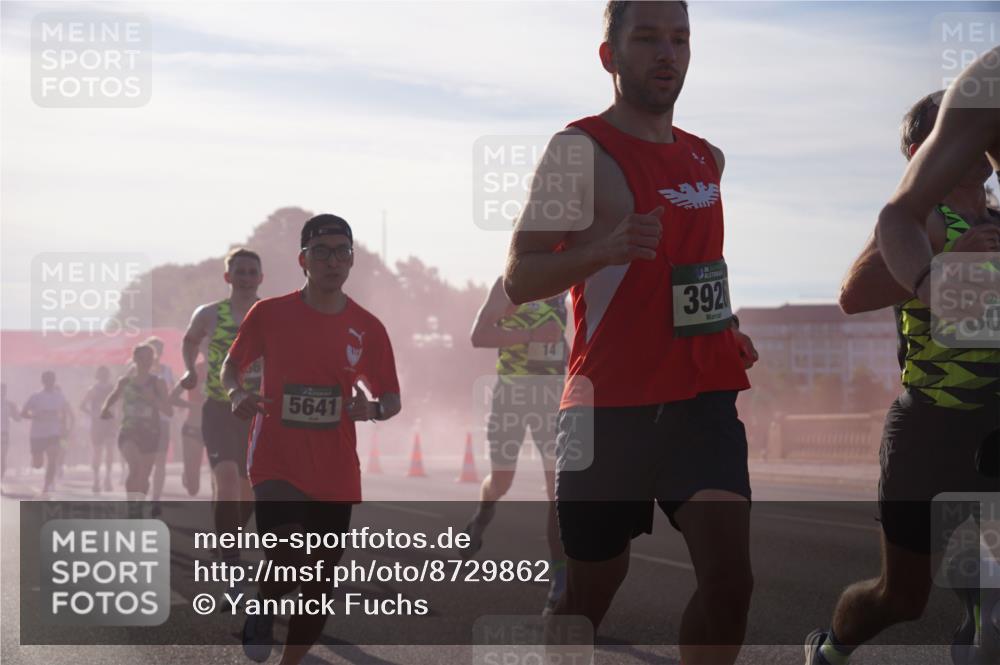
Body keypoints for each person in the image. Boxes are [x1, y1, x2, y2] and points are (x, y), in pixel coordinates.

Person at [503, 3, 759, 663]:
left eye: (679, 39)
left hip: (702, 399)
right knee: (590, 591)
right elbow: (520, 277)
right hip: (606, 410)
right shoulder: (579, 149)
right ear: (608, 55)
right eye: (647, 38)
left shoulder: (708, 156)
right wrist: (604, 248)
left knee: (730, 581)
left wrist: (726, 326)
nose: (666, 53)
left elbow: (697, 268)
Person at [806, 88, 1000, 664]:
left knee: (987, 592)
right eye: (955, 130)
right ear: (924, 150)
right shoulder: (917, 222)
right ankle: (833, 648)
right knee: (901, 597)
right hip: (929, 432)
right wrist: (948, 264)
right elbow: (853, 293)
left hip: (991, 426)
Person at [222, 214, 401, 665]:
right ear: (303, 260)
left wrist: (373, 409)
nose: (332, 261)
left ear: (352, 260)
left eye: (342, 252)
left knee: (318, 580)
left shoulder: (369, 326)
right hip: (276, 458)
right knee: (285, 552)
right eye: (321, 252)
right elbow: (231, 366)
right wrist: (236, 392)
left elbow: (392, 397)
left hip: (335, 467)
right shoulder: (269, 314)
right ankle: (264, 601)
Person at [463, 276, 568, 614]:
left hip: (551, 398)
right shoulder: (510, 284)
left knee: (558, 489)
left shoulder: (567, 284)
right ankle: (482, 514)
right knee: (502, 481)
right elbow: (479, 336)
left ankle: (560, 579)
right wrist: (531, 336)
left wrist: (563, 352)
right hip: (511, 396)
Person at [179, 248, 263, 562]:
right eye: (239, 272)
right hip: (218, 407)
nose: (245, 278)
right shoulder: (210, 313)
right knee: (225, 477)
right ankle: (229, 552)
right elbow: (189, 341)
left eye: (251, 272)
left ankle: (230, 534)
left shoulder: (268, 313)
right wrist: (190, 369)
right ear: (228, 277)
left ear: (261, 278)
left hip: (256, 413)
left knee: (248, 488)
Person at [101, 344, 172, 501]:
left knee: (144, 476)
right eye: (141, 358)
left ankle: (139, 506)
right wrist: (105, 408)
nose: (145, 361)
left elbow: (169, 411)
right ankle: (131, 509)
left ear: (153, 360)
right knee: (135, 468)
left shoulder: (158, 383)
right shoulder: (125, 382)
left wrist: (153, 399)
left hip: (151, 433)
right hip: (129, 431)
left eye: (149, 358)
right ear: (135, 359)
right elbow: (114, 395)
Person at [21, 371, 74, 497]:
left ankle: (46, 485)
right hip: (37, 434)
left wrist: (65, 428)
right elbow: (23, 413)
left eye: (51, 380)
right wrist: (34, 416)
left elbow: (66, 412)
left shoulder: (60, 396)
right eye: (47, 380)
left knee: (52, 459)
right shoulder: (36, 396)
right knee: (38, 465)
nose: (49, 383)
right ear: (43, 381)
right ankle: (35, 461)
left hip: (53, 433)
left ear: (54, 381)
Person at [169, 361, 207, 497]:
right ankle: (188, 474)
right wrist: (191, 405)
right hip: (193, 427)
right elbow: (172, 397)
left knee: (221, 477)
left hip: (217, 429)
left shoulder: (227, 368)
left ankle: (219, 516)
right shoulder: (194, 371)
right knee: (193, 488)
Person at [80, 366, 117, 493]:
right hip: (102, 423)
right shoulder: (95, 389)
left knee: (104, 452)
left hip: (106, 422)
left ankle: (104, 479)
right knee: (102, 452)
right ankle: (100, 479)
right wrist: (94, 415)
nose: (104, 375)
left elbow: (82, 406)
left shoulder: (109, 389)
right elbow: (82, 405)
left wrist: (93, 414)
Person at [1, 383, 21, 483]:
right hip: (4, 434)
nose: (1, 393)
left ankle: (0, 477)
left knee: (2, 457)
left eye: (3, 391)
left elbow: (17, 418)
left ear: (5, 392)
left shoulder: (9, 404)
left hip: (4, 434)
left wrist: (18, 411)